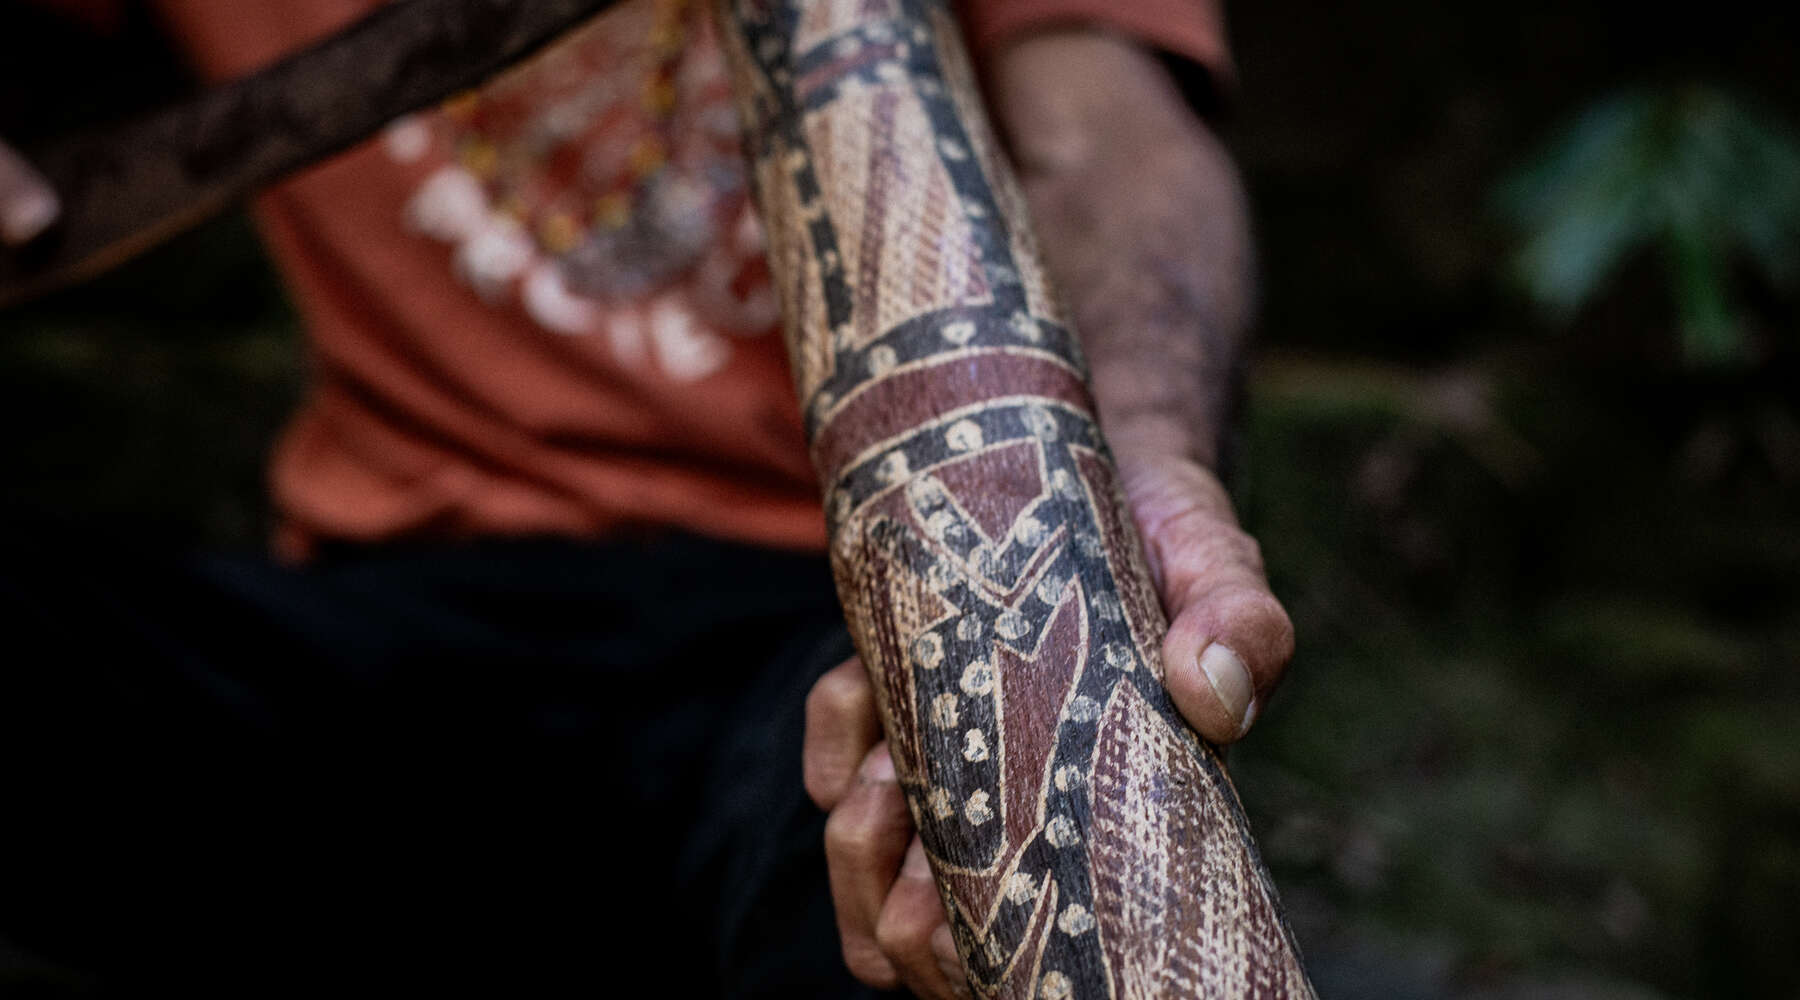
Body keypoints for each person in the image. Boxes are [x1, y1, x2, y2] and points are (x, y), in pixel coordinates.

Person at [0, 1, 1293, 996]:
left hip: (830, 633)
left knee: (962, 837)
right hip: (371, 639)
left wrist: (1115, 498)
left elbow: (1106, 134)